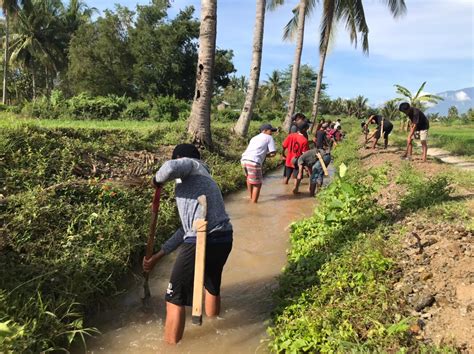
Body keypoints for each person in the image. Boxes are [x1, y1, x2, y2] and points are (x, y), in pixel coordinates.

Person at [143, 144, 233, 345]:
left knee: (174, 297)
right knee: (211, 285)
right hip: (223, 236)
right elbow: (185, 230)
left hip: (203, 236)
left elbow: (170, 167)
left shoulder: (191, 165)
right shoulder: (203, 178)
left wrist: (156, 181)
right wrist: (158, 256)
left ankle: (171, 347)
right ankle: (215, 330)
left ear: (181, 157)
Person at [241, 123, 278, 203]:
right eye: (270, 131)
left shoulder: (254, 137)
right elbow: (273, 153)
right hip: (254, 162)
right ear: (264, 131)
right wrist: (266, 155)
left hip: (244, 160)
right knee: (258, 184)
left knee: (249, 178)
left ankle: (251, 197)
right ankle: (253, 204)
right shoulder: (269, 137)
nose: (271, 133)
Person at [282, 121, 310, 186]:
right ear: (304, 129)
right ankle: (295, 191)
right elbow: (305, 153)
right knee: (296, 178)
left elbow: (283, 146)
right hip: (297, 161)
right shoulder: (304, 140)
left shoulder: (290, 136)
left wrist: (283, 154)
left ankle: (285, 189)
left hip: (288, 160)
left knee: (286, 177)